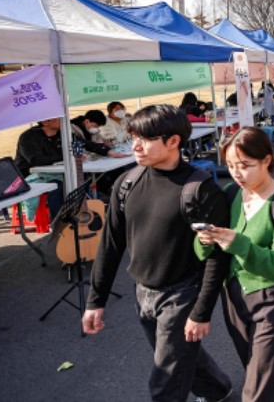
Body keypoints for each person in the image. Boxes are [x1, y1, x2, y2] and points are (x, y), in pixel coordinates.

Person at [83, 105, 233, 401]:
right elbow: (111, 244)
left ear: (174, 141)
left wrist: (201, 312)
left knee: (166, 378)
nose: (135, 146)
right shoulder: (126, 183)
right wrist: (95, 300)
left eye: (145, 139)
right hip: (143, 292)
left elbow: (217, 257)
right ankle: (218, 390)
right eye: (134, 137)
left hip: (182, 294)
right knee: (178, 354)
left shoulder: (200, 190)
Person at [196, 127, 274, 401]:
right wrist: (204, 240)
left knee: (256, 385)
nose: (236, 172)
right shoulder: (231, 192)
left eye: (245, 165)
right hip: (234, 297)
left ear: (266, 160)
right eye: (230, 165)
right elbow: (202, 253)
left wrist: (239, 244)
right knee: (254, 360)